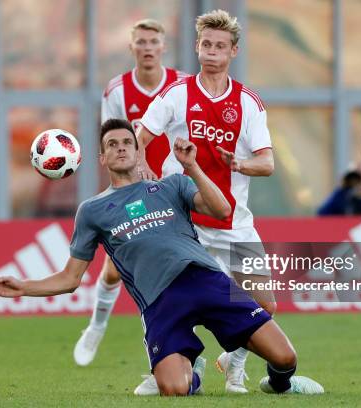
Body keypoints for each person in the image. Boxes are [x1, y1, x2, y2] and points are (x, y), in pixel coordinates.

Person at [0, 119, 323, 397]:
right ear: (102, 158)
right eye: (112, 145)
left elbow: (222, 210)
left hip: (204, 280)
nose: (120, 148)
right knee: (174, 389)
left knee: (285, 357)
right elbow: (70, 279)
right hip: (161, 302)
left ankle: (280, 385)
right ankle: (193, 368)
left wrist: (192, 167)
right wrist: (22, 287)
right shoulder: (93, 210)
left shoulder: (172, 185)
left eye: (127, 142)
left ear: (137, 149)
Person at [136, 9, 275, 393]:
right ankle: (168, 367)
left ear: (234, 51)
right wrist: (145, 166)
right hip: (184, 222)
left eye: (220, 46)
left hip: (233, 221)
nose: (212, 51)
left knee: (265, 305)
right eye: (206, 44)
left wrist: (241, 163)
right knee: (170, 299)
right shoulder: (176, 94)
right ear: (198, 47)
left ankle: (234, 361)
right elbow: (140, 135)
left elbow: (268, 163)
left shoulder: (249, 103)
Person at [73, 19, 186, 369]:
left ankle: (182, 355)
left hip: (176, 185)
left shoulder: (182, 84)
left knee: (184, 267)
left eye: (154, 41)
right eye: (141, 42)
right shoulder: (117, 90)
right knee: (114, 269)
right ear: (132, 48)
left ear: (163, 47)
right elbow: (114, 137)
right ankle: (96, 325)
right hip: (134, 186)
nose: (148, 47)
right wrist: (137, 171)